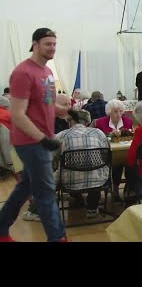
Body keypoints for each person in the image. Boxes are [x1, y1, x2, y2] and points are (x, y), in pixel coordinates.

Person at [0, 27, 69, 242]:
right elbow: (17, 114)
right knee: (46, 191)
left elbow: (46, 104)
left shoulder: (47, 72)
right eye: (48, 44)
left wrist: (63, 111)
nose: (52, 48)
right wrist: (43, 139)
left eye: (54, 44)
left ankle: (0, 228)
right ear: (35, 44)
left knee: (26, 187)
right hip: (30, 141)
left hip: (42, 139)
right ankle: (57, 238)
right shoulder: (23, 72)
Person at [94, 99, 132, 201]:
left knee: (130, 164)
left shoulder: (127, 121)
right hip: (107, 153)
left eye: (120, 111)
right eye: (115, 111)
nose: (119, 114)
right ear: (109, 112)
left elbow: (130, 135)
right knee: (116, 165)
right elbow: (98, 137)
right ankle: (115, 190)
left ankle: (130, 190)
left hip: (124, 151)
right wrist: (111, 134)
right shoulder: (100, 122)